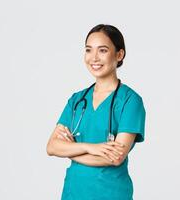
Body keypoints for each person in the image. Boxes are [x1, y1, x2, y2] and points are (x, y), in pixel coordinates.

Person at [46, 24, 146, 200]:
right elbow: (52, 147)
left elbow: (115, 158)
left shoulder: (130, 101)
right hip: (74, 192)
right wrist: (91, 147)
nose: (94, 58)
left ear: (119, 54)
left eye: (103, 50)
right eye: (88, 50)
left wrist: (71, 151)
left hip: (111, 193)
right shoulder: (77, 100)